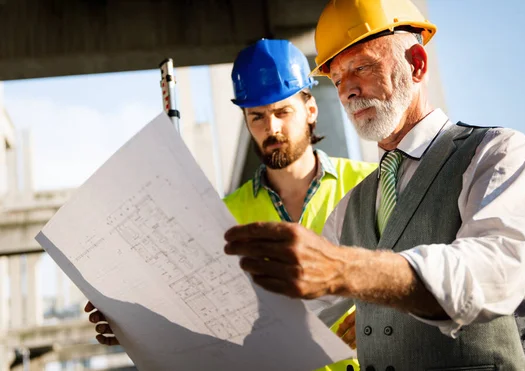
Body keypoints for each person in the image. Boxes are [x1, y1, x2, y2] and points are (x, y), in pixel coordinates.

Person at [223, 1, 525, 370]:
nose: (347, 91)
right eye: (336, 78)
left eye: (361, 67)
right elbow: (296, 319)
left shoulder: (496, 152)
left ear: (417, 64)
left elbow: (495, 273)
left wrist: (347, 271)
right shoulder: (353, 204)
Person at [85, 38, 376, 371]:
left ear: (311, 110)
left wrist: (387, 318)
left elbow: (416, 278)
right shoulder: (221, 217)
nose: (272, 128)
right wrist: (133, 325)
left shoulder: (368, 184)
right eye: (257, 117)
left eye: (283, 111)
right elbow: (201, 319)